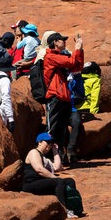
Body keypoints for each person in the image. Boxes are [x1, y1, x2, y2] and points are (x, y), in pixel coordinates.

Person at [40, 32, 86, 165]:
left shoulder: (59, 56)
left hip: (64, 98)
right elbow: (72, 62)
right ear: (55, 42)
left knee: (60, 131)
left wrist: (80, 49)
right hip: (54, 97)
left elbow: (77, 66)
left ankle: (59, 159)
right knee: (52, 130)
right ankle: (38, 158)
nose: (65, 42)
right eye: (62, 40)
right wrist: (77, 48)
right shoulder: (51, 56)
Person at [19, 132, 81, 217]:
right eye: (47, 142)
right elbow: (39, 169)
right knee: (59, 182)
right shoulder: (34, 152)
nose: (49, 145)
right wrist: (54, 178)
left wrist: (55, 150)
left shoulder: (44, 158)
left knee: (70, 181)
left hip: (41, 183)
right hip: (30, 184)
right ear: (39, 142)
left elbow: (57, 167)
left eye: (51, 143)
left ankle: (73, 208)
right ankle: (64, 210)